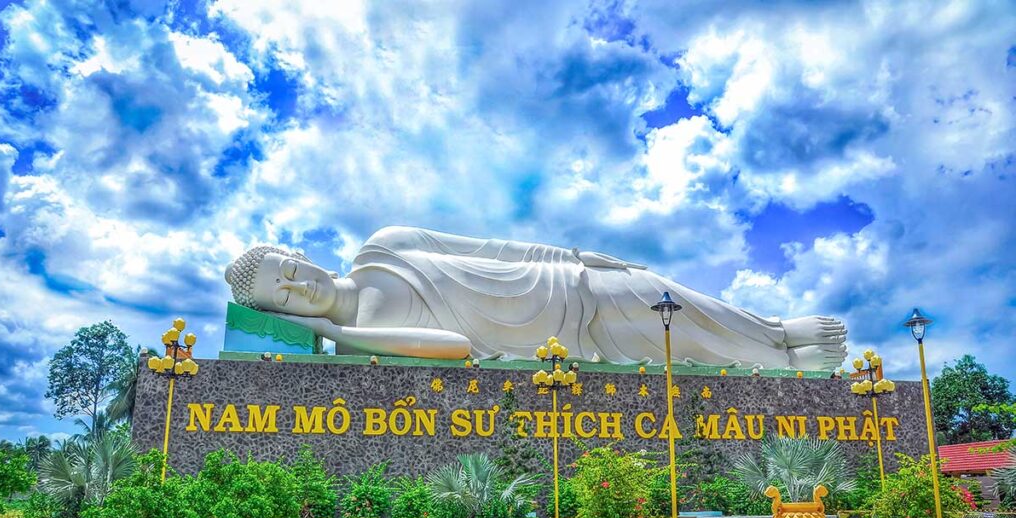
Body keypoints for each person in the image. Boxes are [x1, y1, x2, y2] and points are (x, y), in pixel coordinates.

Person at [225, 226, 847, 370]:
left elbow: (494, 250)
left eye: (288, 268)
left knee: (676, 302)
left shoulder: (384, 246)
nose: (297, 284)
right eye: (283, 294)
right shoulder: (359, 333)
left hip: (560, 286)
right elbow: (454, 347)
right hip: (562, 342)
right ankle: (785, 361)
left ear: (299, 253)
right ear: (281, 314)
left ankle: (773, 327)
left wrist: (571, 257)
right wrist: (341, 334)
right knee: (681, 348)